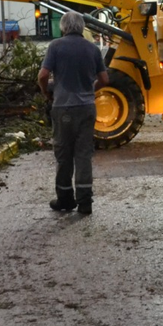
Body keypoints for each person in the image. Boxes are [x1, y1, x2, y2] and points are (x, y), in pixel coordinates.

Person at [37, 11, 109, 215]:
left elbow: (43, 75)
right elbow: (104, 80)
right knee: (83, 155)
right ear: (81, 27)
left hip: (63, 108)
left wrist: (47, 93)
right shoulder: (92, 48)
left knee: (63, 155)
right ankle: (85, 202)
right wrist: (89, 91)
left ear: (64, 27)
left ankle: (65, 199)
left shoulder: (56, 46)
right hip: (87, 108)